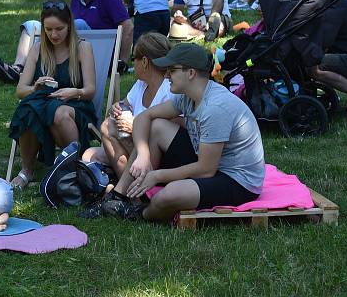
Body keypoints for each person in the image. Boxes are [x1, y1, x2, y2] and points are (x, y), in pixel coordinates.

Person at [80, 43, 264, 222]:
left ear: (191, 73)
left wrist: (157, 176)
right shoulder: (188, 97)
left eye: (172, 70)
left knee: (168, 196)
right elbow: (145, 117)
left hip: (236, 180)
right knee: (157, 126)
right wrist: (143, 155)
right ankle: (119, 197)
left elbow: (206, 170)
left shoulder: (215, 108)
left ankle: (138, 213)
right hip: (211, 162)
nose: (167, 75)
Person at [0, 0, 133, 84]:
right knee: (30, 25)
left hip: (95, 53)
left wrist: (122, 62)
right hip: (71, 45)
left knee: (78, 24)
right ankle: (18, 68)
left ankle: (40, 70)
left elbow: (128, 27)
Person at [7, 0, 96, 188]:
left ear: (69, 26)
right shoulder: (38, 48)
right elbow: (21, 90)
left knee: (59, 113)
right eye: (48, 29)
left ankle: (74, 168)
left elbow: (90, 90)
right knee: (28, 109)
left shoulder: (82, 48)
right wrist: (35, 88)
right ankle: (26, 170)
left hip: (76, 105)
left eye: (59, 29)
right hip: (43, 101)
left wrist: (75, 92)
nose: (53, 34)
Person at [82, 33, 177, 178]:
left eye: (134, 58)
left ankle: (131, 191)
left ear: (144, 62)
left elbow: (171, 134)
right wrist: (115, 108)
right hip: (133, 149)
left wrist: (134, 127)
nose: (132, 63)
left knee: (108, 128)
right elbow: (120, 107)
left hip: (156, 157)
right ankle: (120, 180)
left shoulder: (168, 91)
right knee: (88, 155)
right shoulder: (141, 85)